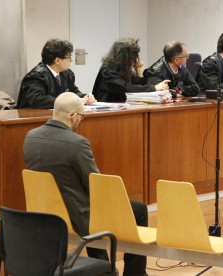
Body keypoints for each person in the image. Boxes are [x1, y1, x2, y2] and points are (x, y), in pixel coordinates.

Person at [23, 92, 149, 276]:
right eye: (82, 116)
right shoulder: (77, 143)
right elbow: (95, 185)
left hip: (45, 212)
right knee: (138, 209)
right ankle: (135, 274)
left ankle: (102, 270)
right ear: (73, 116)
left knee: (88, 202)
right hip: (78, 217)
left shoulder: (30, 137)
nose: (81, 120)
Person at [17, 38, 96, 109]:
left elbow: (73, 91)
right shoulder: (36, 76)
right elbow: (37, 100)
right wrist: (68, 101)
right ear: (57, 60)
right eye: (68, 57)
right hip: (32, 119)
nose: (71, 60)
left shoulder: (67, 73)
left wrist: (84, 97)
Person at [92, 37, 169, 102]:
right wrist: (154, 88)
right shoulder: (107, 71)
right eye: (134, 56)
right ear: (125, 57)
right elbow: (127, 88)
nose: (137, 58)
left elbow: (136, 87)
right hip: (106, 111)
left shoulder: (123, 69)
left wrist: (139, 73)